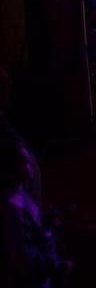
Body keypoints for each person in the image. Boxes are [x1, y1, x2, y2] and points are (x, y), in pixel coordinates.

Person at [1, 114, 62, 288]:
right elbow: (25, 261)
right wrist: (55, 266)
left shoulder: (20, 195)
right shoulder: (11, 209)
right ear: (12, 167)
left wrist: (45, 221)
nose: (31, 164)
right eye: (25, 161)